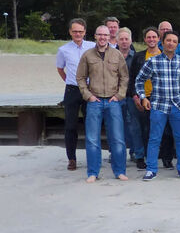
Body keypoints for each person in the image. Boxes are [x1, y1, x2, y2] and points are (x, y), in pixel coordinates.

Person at [135, 31, 180, 180]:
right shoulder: (153, 61)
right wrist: (143, 97)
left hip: (177, 105)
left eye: (174, 41)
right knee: (154, 138)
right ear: (162, 42)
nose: (171, 43)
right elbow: (139, 80)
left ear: (177, 44)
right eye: (168, 40)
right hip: (158, 105)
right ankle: (151, 169)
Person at [76, 24, 129, 182]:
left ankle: (119, 171)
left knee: (118, 138)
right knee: (92, 139)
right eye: (100, 35)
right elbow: (80, 78)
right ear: (95, 36)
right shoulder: (87, 55)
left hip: (113, 101)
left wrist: (120, 95)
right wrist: (88, 96)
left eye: (105, 35)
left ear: (109, 37)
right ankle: (93, 172)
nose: (102, 38)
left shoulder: (117, 55)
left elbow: (124, 77)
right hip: (95, 101)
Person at [56, 18, 94, 171]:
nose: (78, 34)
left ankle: (92, 158)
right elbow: (60, 69)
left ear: (85, 32)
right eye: (75, 31)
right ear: (70, 32)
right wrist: (70, 81)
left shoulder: (92, 47)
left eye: (80, 31)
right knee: (70, 126)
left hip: (90, 89)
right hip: (72, 90)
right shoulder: (63, 50)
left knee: (91, 125)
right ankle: (71, 159)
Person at [129, 27, 162, 170]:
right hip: (143, 96)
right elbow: (132, 79)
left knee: (156, 128)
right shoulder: (139, 56)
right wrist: (135, 96)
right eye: (149, 37)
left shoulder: (165, 55)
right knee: (140, 128)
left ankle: (156, 156)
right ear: (145, 40)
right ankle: (140, 156)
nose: (151, 39)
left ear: (159, 39)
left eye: (154, 37)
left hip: (160, 98)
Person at [117, 28, 145, 168]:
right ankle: (117, 154)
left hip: (132, 96)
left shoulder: (137, 57)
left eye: (126, 39)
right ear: (116, 41)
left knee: (135, 126)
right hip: (115, 97)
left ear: (131, 41)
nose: (124, 41)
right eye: (121, 39)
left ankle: (137, 154)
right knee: (117, 126)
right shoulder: (111, 56)